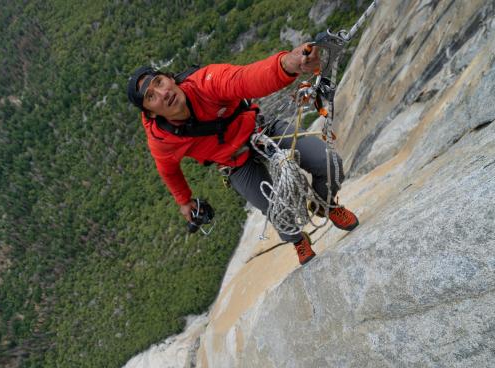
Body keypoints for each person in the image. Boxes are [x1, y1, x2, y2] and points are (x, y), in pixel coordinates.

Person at [126, 43, 359, 265]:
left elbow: (246, 78)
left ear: (170, 78)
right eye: (151, 96)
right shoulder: (162, 139)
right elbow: (167, 169)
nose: (163, 93)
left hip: (261, 128)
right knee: (274, 209)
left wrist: (288, 64)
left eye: (159, 82)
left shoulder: (206, 82)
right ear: (151, 113)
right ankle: (298, 240)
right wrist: (184, 201)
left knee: (328, 162)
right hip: (235, 161)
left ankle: (325, 205)